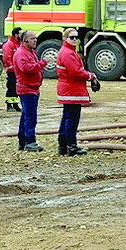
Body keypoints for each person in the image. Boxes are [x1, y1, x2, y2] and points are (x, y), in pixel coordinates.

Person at [56, 28, 97, 156]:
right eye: (71, 37)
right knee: (72, 119)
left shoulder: (67, 52)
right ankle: (71, 146)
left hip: (68, 89)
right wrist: (91, 76)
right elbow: (75, 72)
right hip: (71, 90)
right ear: (65, 38)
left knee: (67, 117)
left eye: (76, 37)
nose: (74, 40)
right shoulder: (68, 53)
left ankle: (63, 145)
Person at [13, 30, 48, 151]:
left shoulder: (30, 52)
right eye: (32, 38)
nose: (35, 40)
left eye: (35, 38)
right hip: (27, 90)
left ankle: (23, 142)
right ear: (25, 40)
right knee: (30, 117)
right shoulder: (21, 53)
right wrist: (43, 63)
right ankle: (30, 142)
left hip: (32, 89)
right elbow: (26, 68)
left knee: (26, 116)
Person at [1, 27, 22, 112]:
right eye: (20, 33)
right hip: (12, 71)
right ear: (16, 34)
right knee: (11, 87)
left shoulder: (19, 44)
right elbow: (7, 57)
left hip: (18, 71)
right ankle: (9, 105)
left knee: (16, 88)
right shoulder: (9, 45)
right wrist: (10, 67)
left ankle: (15, 104)